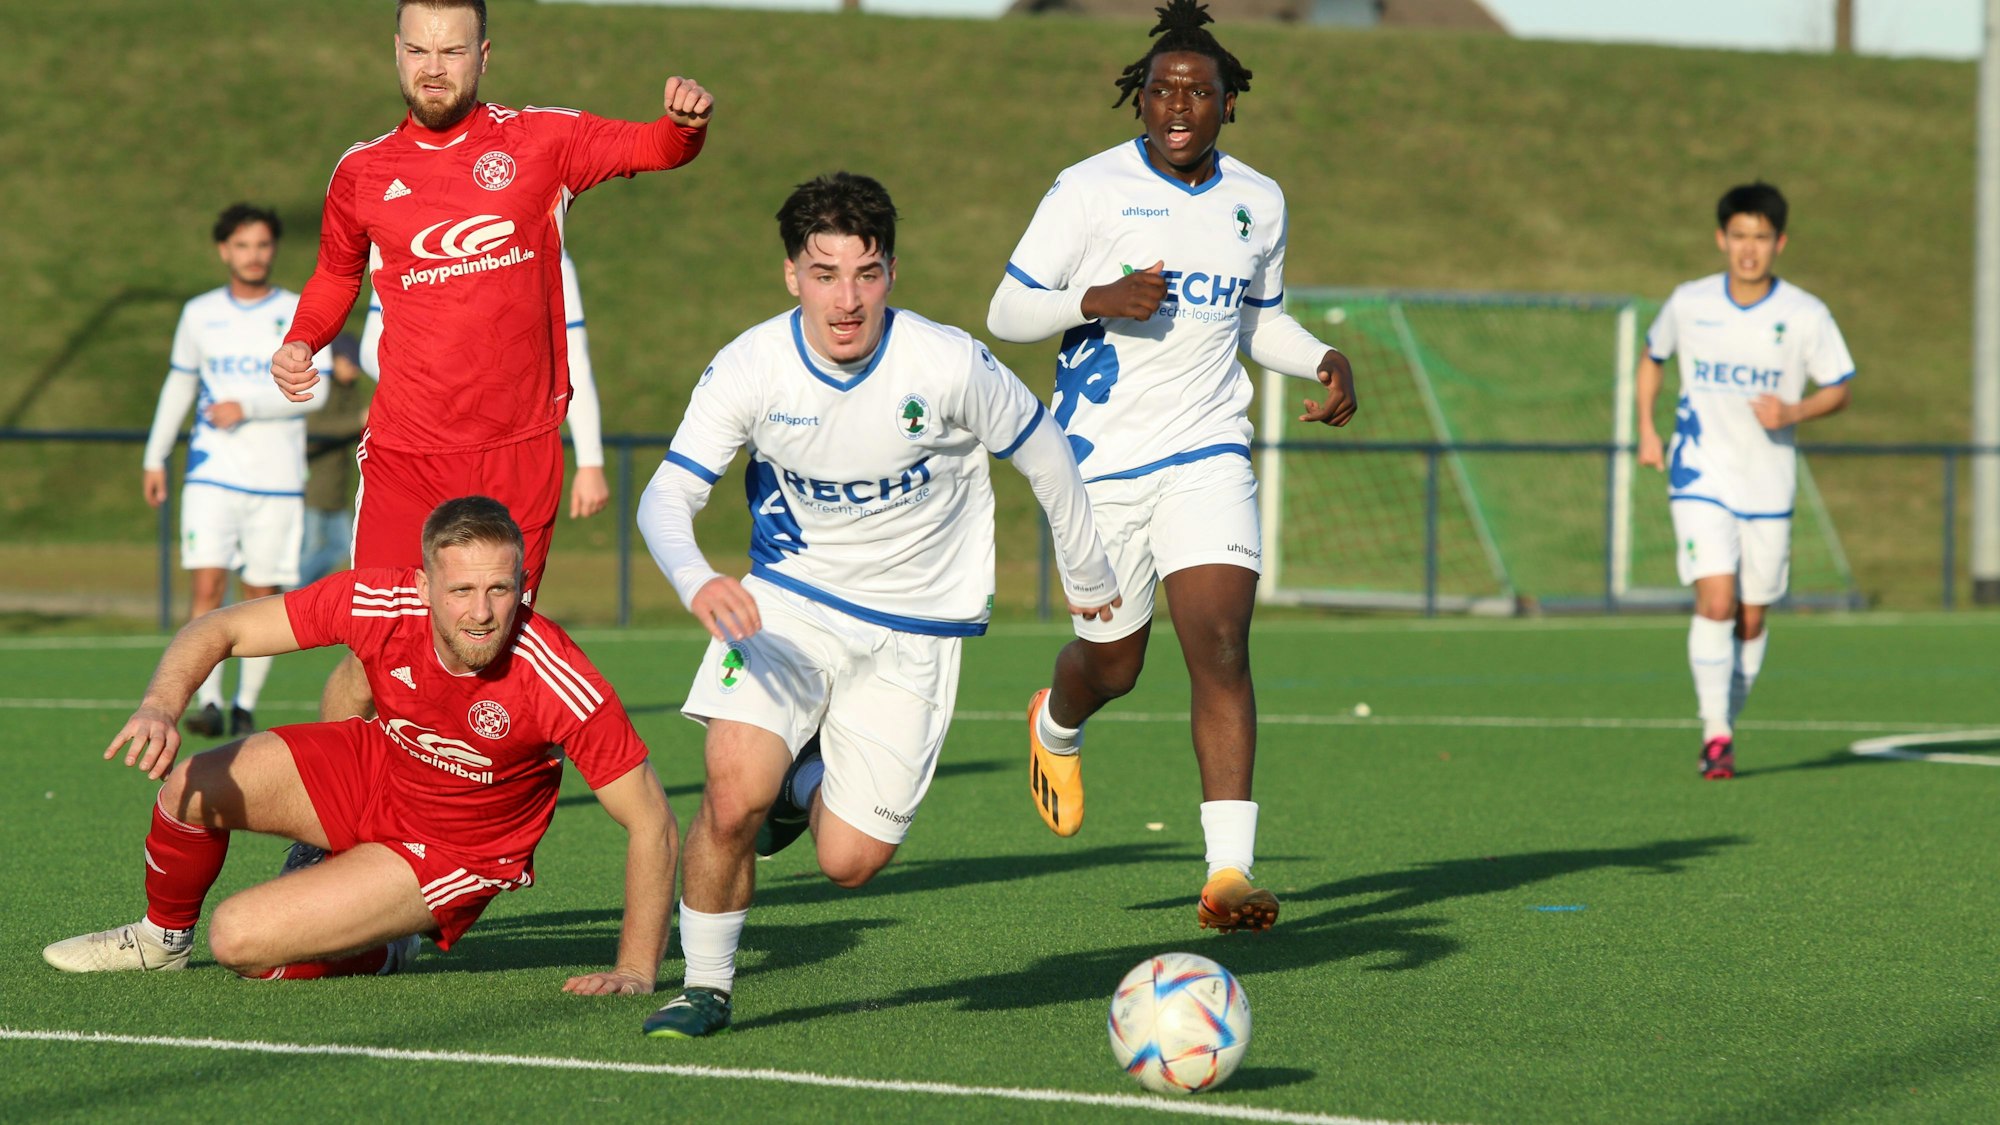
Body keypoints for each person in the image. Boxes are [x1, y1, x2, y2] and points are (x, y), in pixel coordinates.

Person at [634, 172, 1118, 1037]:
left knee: (848, 862)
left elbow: (1046, 453)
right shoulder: (751, 365)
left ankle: (802, 781)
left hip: (913, 630)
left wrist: (1088, 582)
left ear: (892, 270)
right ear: (792, 275)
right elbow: (665, 498)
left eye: (866, 273)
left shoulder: (947, 361)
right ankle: (705, 984)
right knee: (730, 791)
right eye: (824, 273)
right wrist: (698, 579)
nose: (846, 300)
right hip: (787, 603)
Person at [984, 0, 1355, 933]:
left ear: (1230, 103)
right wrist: (1096, 297)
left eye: (1200, 91)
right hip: (1098, 465)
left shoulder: (1258, 200)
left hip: (1206, 451)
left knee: (1223, 644)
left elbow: (1255, 320)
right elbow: (1006, 312)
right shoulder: (1086, 190)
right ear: (1138, 100)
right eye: (1162, 90)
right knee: (1115, 665)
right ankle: (1056, 721)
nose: (1179, 104)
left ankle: (1228, 873)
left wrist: (1322, 359)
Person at [268, 0, 713, 723]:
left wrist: (684, 125)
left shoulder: (542, 140)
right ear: (396, 52)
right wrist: (302, 339)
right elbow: (333, 275)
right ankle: (330, 828)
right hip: (407, 454)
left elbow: (654, 148)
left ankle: (473, 830)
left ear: (484, 56)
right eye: (418, 51)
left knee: (488, 652)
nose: (433, 68)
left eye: (451, 52)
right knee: (372, 647)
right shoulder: (362, 171)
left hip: (514, 453)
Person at [43, 497, 675, 994]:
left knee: (240, 941)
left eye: (500, 590)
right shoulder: (381, 601)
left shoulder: (556, 674)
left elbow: (652, 821)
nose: (482, 612)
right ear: (425, 588)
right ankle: (161, 940)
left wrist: (635, 968)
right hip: (381, 772)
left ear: (521, 585)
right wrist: (160, 705)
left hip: (455, 847)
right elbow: (224, 626)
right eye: (460, 591)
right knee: (190, 786)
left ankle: (383, 949)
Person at [1636, 182, 1854, 779]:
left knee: (1752, 616)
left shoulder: (1805, 314)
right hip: (1700, 471)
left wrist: (1794, 412)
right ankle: (1715, 735)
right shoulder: (1689, 301)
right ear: (1721, 239)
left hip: (1767, 481)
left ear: (1778, 242)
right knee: (1716, 598)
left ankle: (1724, 723)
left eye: (1761, 237)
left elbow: (1838, 387)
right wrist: (1647, 432)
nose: (1749, 249)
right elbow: (1653, 359)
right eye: (1739, 236)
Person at [142, 203, 329, 739]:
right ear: (225, 250)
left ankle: (247, 703)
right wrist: (155, 455)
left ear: (274, 250)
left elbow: (310, 397)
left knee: (261, 592)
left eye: (263, 245)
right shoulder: (199, 313)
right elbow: (179, 384)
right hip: (212, 472)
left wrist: (249, 406)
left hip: (276, 479)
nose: (253, 255)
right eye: (242, 245)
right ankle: (210, 702)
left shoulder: (298, 312)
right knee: (207, 584)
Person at [359, 250, 608, 522]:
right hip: (423, 441)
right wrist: (445, 383)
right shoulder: (407, 242)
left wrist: (590, 461)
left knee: (503, 558)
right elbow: (371, 349)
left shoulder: (544, 244)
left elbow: (570, 358)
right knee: (417, 556)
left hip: (509, 444)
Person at [299, 333, 371, 585]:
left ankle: (296, 594)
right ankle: (290, 594)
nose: (354, 370)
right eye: (349, 363)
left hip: (336, 490)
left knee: (342, 547)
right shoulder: (320, 387)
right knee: (309, 552)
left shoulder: (349, 391)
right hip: (312, 490)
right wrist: (358, 421)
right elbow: (313, 429)